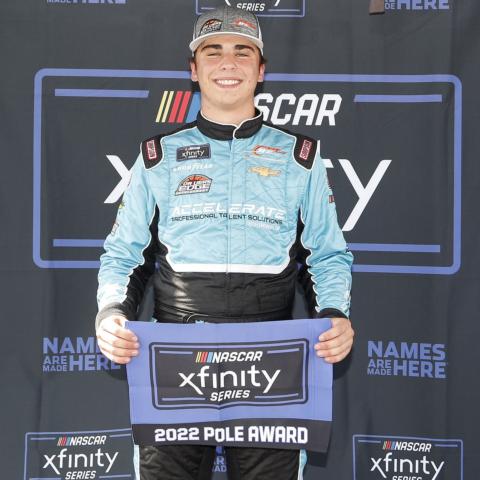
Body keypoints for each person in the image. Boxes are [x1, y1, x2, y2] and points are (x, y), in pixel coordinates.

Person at [95, 5, 354, 480]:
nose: (228, 63)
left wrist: (334, 315)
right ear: (194, 70)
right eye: (212, 52)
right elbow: (124, 254)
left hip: (272, 355)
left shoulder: (300, 157)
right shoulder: (159, 156)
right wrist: (112, 313)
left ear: (261, 70)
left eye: (242, 51)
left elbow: (327, 255)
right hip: (175, 352)